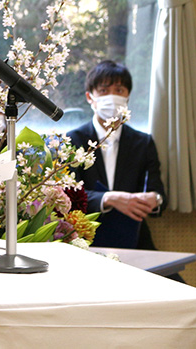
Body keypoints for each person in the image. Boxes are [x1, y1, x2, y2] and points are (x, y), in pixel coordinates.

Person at [67, 60, 166, 250]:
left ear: (127, 96)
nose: (112, 97)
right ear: (90, 97)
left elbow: (159, 194)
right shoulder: (72, 140)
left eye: (119, 90)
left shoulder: (143, 142)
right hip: (84, 239)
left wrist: (155, 199)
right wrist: (107, 198)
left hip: (134, 239)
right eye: (104, 91)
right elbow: (68, 196)